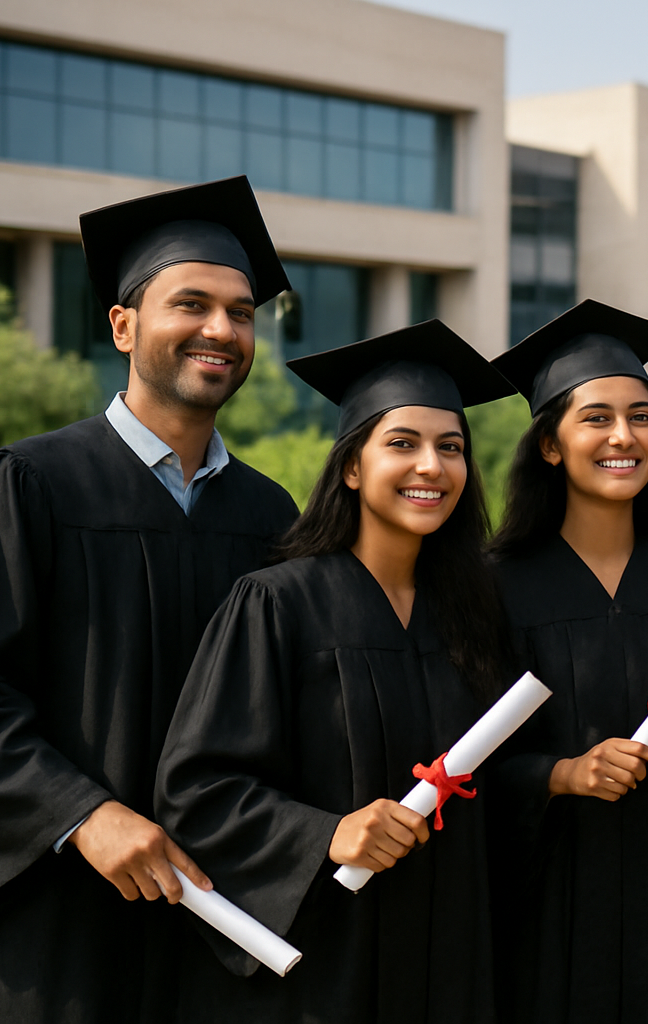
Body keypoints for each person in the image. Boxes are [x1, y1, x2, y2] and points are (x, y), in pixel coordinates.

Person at [0, 175, 299, 1024]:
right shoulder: (29, 486)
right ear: (122, 325)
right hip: (58, 924)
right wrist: (81, 814)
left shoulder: (270, 515)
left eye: (240, 312)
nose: (221, 330)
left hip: (217, 922)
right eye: (190, 304)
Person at [154, 321, 516, 1021]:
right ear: (352, 466)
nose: (431, 467)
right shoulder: (278, 604)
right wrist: (325, 834)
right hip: (323, 967)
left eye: (451, 448)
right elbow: (198, 788)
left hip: (450, 958)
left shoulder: (471, 615)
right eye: (402, 444)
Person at [486, 300, 648, 1024]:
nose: (624, 436)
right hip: (543, 909)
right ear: (550, 445)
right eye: (596, 418)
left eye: (642, 415)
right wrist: (559, 775)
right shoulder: (493, 584)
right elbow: (452, 749)